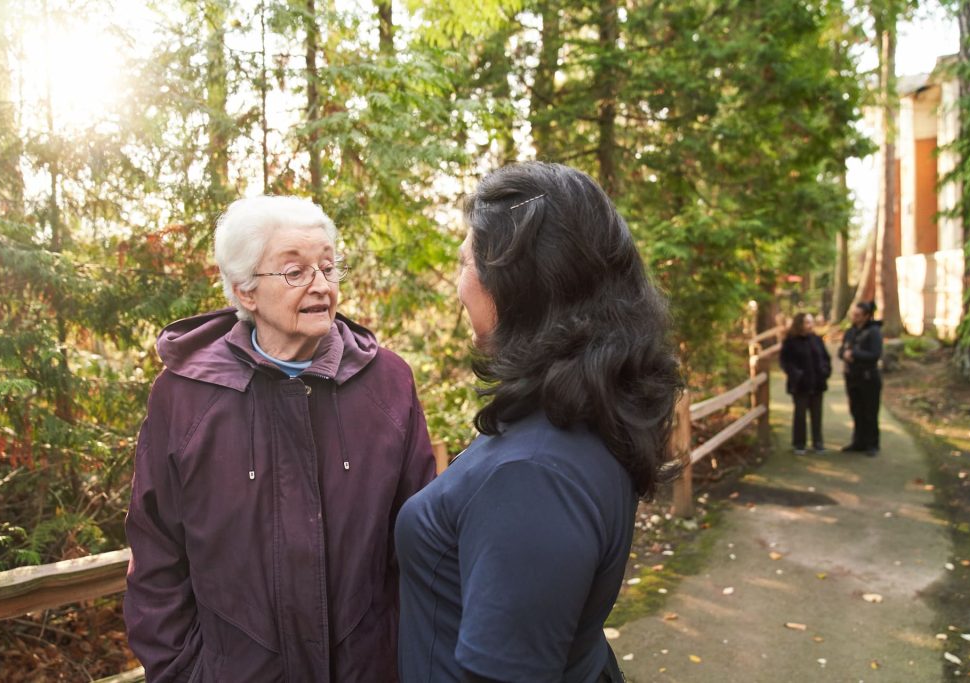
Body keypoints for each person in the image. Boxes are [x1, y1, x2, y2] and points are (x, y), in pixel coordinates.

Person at [124, 196, 436, 682]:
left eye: (329, 268)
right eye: (295, 272)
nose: (321, 286)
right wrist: (185, 674)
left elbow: (419, 547)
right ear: (245, 291)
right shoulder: (184, 395)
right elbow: (157, 557)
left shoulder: (388, 383)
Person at [395, 162, 681, 682]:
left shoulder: (533, 473)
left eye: (466, 262)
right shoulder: (577, 414)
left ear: (513, 285)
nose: (460, 284)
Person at [779, 312, 831, 455]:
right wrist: (796, 375)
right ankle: (799, 443)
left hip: (817, 384)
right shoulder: (790, 341)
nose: (810, 325)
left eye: (811, 322)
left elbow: (825, 358)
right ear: (800, 324)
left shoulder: (816, 339)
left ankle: (818, 443)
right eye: (807, 322)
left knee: (817, 415)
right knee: (800, 415)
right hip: (800, 385)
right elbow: (785, 361)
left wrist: (825, 371)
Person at [840, 300, 883, 456]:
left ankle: (872, 443)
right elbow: (842, 350)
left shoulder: (874, 332)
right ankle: (858, 441)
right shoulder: (850, 332)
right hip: (853, 377)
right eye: (854, 314)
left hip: (869, 378)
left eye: (858, 315)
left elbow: (875, 354)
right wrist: (844, 355)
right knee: (856, 410)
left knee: (870, 411)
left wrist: (854, 354)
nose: (854, 317)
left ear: (866, 316)